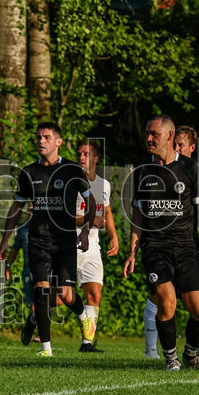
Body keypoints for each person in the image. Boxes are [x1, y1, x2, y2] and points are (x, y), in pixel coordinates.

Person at [125, 116, 199, 371]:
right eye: (147, 133)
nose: (148, 138)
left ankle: (191, 355)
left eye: (154, 134)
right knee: (167, 302)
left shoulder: (191, 169)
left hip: (187, 248)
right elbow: (138, 214)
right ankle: (171, 359)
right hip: (155, 249)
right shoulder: (142, 172)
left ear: (169, 136)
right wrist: (132, 251)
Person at [0, 122, 96, 357]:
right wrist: (5, 240)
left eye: (47, 137)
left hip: (65, 243)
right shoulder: (29, 172)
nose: (41, 141)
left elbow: (91, 203)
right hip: (38, 241)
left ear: (58, 142)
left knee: (65, 295)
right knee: (40, 291)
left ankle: (81, 318)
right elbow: (16, 208)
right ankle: (46, 349)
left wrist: (84, 232)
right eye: (38, 137)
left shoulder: (72, 170)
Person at [74, 139, 120, 353]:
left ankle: (87, 343)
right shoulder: (70, 182)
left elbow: (107, 212)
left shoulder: (103, 184)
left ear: (96, 158)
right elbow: (62, 216)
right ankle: (36, 321)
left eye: (86, 154)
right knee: (57, 296)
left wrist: (114, 236)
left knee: (94, 294)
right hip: (68, 245)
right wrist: (89, 220)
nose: (81, 158)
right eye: (79, 154)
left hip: (92, 248)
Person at [5, 224, 37, 344]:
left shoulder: (50, 225)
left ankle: (33, 322)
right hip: (28, 272)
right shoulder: (23, 230)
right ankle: (41, 334)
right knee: (34, 303)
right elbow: (15, 248)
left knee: (51, 300)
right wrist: (8, 265)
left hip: (47, 270)